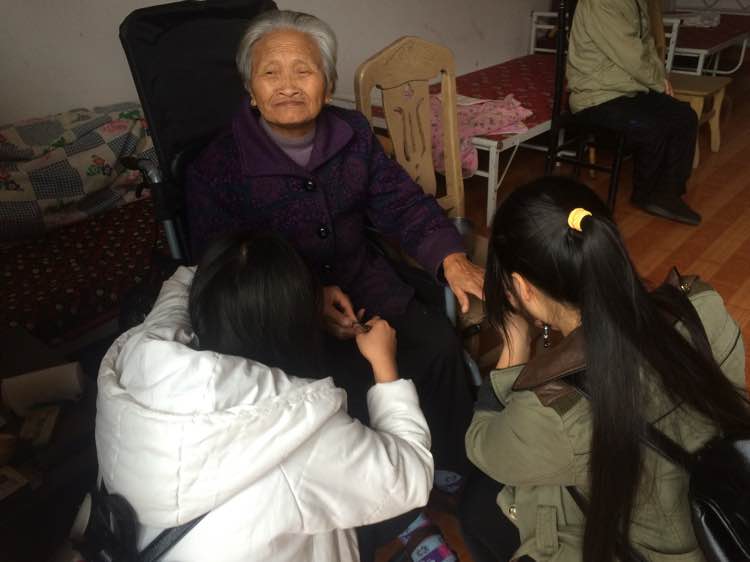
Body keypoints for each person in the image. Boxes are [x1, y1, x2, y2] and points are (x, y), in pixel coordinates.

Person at [185, 10, 479, 561]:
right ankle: (394, 514)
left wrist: (451, 257)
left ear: (328, 80)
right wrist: (303, 298)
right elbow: (226, 266)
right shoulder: (217, 167)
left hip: (363, 279)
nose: (288, 85)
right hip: (281, 310)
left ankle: (450, 465)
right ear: (250, 89)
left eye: (304, 69)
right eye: (270, 72)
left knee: (438, 345)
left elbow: (400, 202)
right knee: (335, 398)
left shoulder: (353, 133)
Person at [95, 232, 435, 562]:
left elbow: (183, 279)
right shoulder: (295, 430)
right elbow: (412, 472)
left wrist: (304, 298)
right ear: (289, 328)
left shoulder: (148, 350)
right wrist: (384, 364)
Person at [461, 175, 749, 561]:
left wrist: (516, 341)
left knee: (478, 508)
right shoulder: (701, 305)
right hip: (733, 513)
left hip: (653, 551)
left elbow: (485, 445)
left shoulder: (553, 410)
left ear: (522, 288)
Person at [567, 0, 701, 225]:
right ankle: (646, 194)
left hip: (627, 88)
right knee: (651, 125)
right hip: (596, 95)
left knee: (684, 116)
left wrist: (661, 77)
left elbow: (646, 45)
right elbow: (629, 54)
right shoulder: (600, 3)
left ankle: (668, 192)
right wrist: (657, 83)